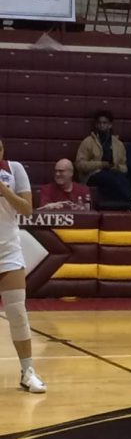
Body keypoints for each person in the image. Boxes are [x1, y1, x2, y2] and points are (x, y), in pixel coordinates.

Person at [0, 139, 45, 393]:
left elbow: (27, 209)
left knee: (17, 312)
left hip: (8, 251)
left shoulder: (15, 170)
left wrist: (3, 190)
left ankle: (27, 372)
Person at [76, 110, 131, 211]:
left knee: (121, 178)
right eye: (99, 123)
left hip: (113, 172)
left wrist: (116, 167)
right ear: (96, 125)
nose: (101, 125)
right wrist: (101, 164)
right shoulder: (88, 142)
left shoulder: (118, 144)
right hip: (92, 175)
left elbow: (124, 167)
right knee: (110, 178)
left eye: (104, 123)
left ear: (110, 125)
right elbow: (80, 165)